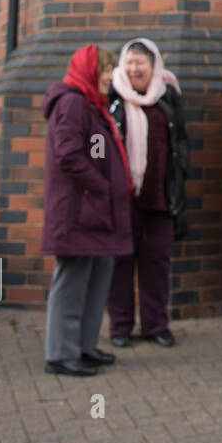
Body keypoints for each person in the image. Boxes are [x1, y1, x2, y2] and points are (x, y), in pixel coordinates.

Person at [42, 46, 133, 376]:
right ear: (88, 70)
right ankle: (60, 354)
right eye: (105, 69)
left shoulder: (93, 105)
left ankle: (82, 346)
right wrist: (101, 186)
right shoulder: (73, 103)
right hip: (78, 212)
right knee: (72, 281)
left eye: (112, 69)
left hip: (95, 211)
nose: (111, 76)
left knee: (96, 279)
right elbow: (68, 155)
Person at [106, 38, 190, 347]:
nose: (134, 68)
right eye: (129, 62)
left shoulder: (168, 96)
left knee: (157, 263)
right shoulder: (111, 96)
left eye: (140, 62)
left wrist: (179, 177)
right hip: (122, 199)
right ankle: (120, 326)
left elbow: (180, 142)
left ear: (153, 66)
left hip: (160, 196)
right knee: (120, 263)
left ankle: (156, 325)